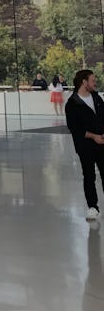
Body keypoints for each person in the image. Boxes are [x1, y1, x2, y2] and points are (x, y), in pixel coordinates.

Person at [65, 69, 104, 221]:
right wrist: (94, 137)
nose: (95, 83)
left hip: (102, 143)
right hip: (85, 146)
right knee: (89, 175)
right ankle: (93, 207)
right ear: (84, 82)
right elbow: (74, 128)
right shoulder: (72, 104)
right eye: (93, 80)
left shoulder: (97, 98)